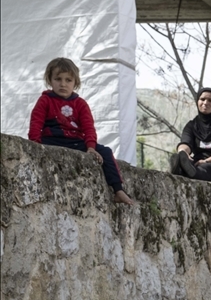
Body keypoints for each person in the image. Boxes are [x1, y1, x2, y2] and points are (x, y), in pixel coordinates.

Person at [28, 57, 133, 205]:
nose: (63, 84)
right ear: (50, 80)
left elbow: (88, 127)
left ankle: (118, 189)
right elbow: (36, 122)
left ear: (75, 83)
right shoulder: (45, 100)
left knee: (106, 152)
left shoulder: (80, 104)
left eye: (68, 80)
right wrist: (35, 143)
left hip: (76, 142)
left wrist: (90, 147)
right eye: (58, 79)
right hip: (52, 139)